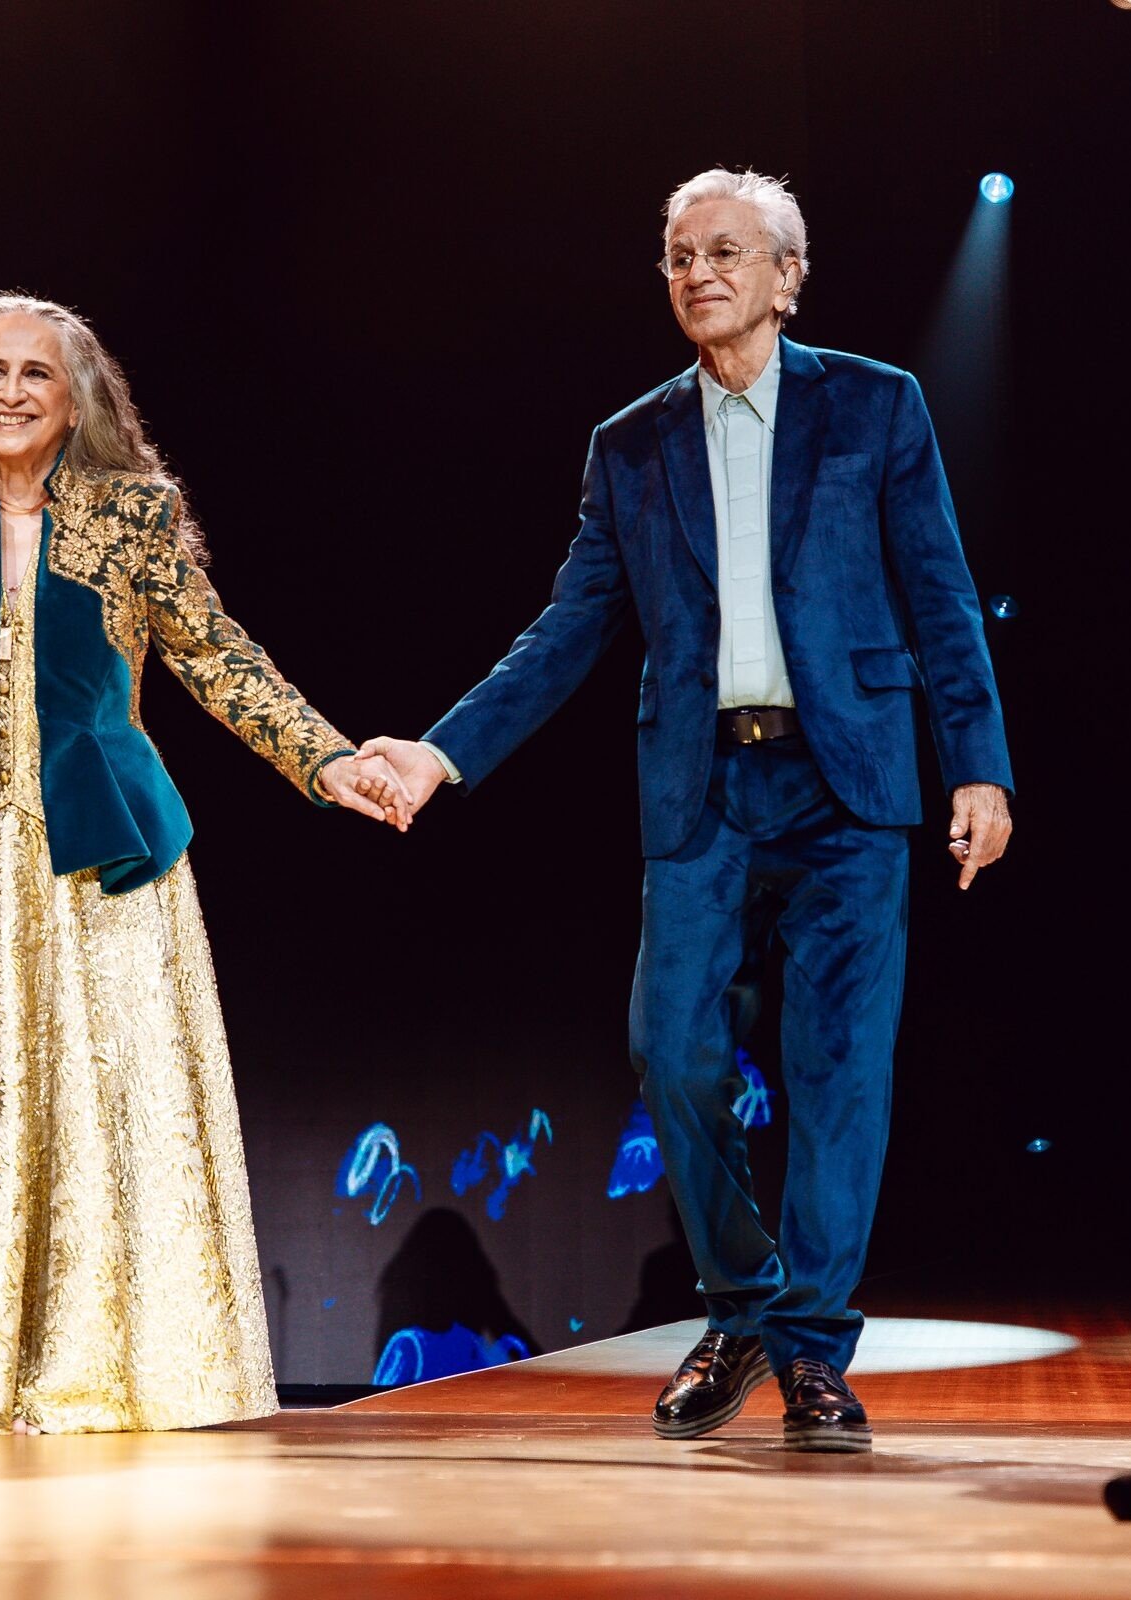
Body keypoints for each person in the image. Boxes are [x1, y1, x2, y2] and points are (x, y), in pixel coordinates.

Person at [357, 169, 1013, 1452]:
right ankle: (746, 1302)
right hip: (703, 784)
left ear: (787, 276)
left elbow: (940, 592)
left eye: (724, 251)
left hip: (849, 782)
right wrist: (440, 754)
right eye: (677, 256)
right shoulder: (630, 442)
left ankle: (811, 1349)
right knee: (671, 1049)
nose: (698, 272)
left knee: (840, 1071)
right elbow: (567, 628)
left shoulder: (876, 403)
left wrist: (977, 765)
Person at [0, 293, 410, 1435]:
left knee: (106, 1114)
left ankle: (90, 1367)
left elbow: (215, 656)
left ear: (76, 404)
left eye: (38, 375)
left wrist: (324, 759)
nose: (12, 392)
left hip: (99, 865)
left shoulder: (133, 516)